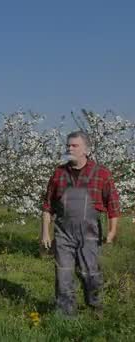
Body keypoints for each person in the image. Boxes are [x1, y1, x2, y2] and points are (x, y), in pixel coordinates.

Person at [40, 131, 120, 318]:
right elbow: (47, 206)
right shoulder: (59, 173)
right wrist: (45, 233)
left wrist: (112, 231)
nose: (69, 148)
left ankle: (95, 307)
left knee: (90, 274)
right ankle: (66, 317)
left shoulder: (101, 173)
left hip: (89, 235)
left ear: (86, 149)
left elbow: (113, 205)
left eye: (74, 145)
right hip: (63, 234)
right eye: (68, 145)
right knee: (63, 275)